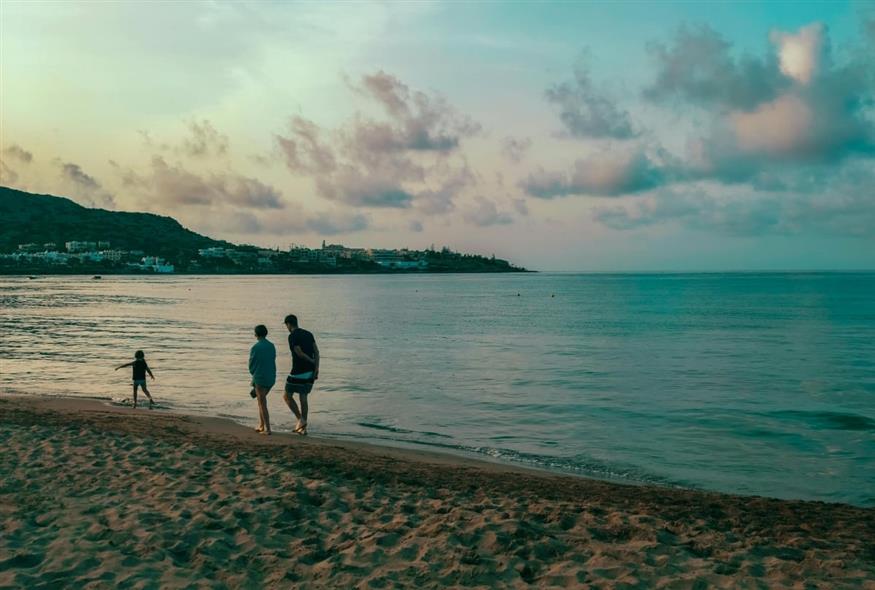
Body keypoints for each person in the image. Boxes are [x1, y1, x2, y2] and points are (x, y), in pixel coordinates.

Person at [283, 314, 319, 435]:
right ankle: (303, 429)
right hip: (310, 371)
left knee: (287, 396)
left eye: (286, 325)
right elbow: (317, 351)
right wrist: (316, 368)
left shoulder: (292, 336)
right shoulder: (309, 334)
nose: (287, 328)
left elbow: (299, 352)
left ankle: (301, 419)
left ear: (289, 324)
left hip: (298, 371)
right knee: (303, 397)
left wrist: (311, 361)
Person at [249, 324, 277, 435]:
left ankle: (268, 429)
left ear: (256, 334)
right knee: (261, 401)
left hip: (260, 378)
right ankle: (261, 425)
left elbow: (251, 365)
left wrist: (254, 375)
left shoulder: (255, 347)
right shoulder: (272, 346)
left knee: (262, 403)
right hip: (271, 377)